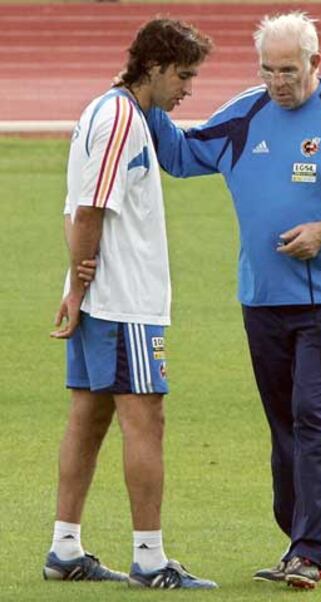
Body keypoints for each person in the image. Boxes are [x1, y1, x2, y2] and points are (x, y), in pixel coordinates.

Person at [145, 11, 321, 590]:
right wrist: (143, 94)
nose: (278, 82)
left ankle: (313, 551)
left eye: (288, 70)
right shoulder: (247, 113)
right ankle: (296, 539)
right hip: (262, 298)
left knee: (314, 416)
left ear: (316, 62)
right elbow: (184, 156)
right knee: (284, 423)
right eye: (267, 69)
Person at [44, 18, 217, 590]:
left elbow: (77, 208)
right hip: (124, 302)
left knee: (89, 417)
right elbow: (90, 208)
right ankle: (149, 560)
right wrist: (78, 285)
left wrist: (75, 287)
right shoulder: (120, 117)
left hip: (106, 298)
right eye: (185, 76)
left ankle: (64, 547)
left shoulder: (115, 112)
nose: (188, 89)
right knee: (146, 418)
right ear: (157, 67)